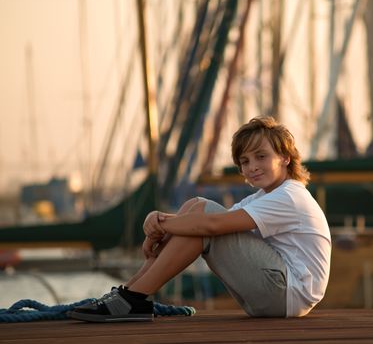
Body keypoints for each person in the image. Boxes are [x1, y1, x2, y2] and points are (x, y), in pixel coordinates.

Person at [68, 116, 331, 322]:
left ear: (285, 157)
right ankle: (129, 294)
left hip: (286, 294)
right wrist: (158, 220)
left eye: (261, 156)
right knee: (196, 206)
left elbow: (212, 225)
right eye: (245, 161)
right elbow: (208, 219)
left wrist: (160, 226)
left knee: (203, 215)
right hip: (277, 296)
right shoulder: (263, 197)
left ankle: (131, 299)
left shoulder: (290, 196)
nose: (252, 167)